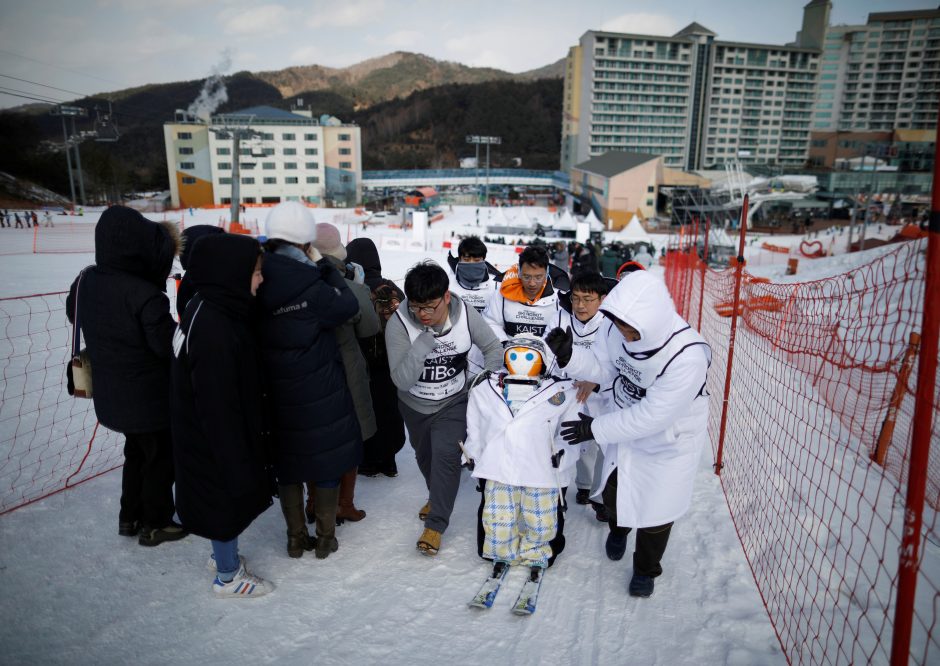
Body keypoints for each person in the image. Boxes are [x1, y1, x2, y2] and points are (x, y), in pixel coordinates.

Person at [547, 270, 711, 598]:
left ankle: (646, 569)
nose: (624, 333)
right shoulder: (613, 328)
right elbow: (605, 370)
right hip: (623, 421)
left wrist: (594, 428)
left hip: (669, 441)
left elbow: (653, 417)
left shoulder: (686, 357)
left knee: (657, 511)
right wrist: (571, 357)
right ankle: (619, 528)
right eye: (620, 325)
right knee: (612, 492)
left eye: (632, 329)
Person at [66, 205, 187, 546]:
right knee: (161, 459)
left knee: (136, 453)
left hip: (111, 393)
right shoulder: (144, 294)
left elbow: (72, 310)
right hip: (149, 399)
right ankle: (156, 522)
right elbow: (165, 346)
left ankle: (128, 516)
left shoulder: (87, 279)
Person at [256, 202, 362, 560]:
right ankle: (326, 538)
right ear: (305, 242)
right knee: (326, 460)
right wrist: (323, 265)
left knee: (288, 465)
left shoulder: (255, 277)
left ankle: (294, 537)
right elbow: (348, 306)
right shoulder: (312, 282)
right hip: (319, 389)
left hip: (274, 389)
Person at [170, 233, 274, 597]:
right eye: (257, 272)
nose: (261, 279)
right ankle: (228, 577)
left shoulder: (205, 303)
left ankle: (222, 556)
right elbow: (217, 405)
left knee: (219, 500)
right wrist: (236, 458)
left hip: (198, 431)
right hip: (213, 438)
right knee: (223, 501)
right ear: (232, 273)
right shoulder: (216, 329)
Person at [385, 261, 503, 556]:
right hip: (415, 405)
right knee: (425, 458)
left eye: (429, 307)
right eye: (416, 307)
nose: (422, 314)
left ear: (446, 297)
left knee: (446, 457)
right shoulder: (398, 324)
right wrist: (424, 344)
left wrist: (480, 386)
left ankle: (435, 525)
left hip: (453, 401)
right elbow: (401, 379)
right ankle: (437, 495)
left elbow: (493, 350)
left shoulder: (464, 313)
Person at [462, 334, 580, 601]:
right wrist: (473, 452)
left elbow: (569, 429)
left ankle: (537, 551)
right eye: (513, 356)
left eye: (529, 357)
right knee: (498, 512)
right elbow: (476, 426)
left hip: (541, 466)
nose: (521, 362)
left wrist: (564, 453)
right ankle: (501, 550)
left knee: (540, 514)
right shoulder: (484, 389)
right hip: (499, 464)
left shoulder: (561, 392)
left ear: (542, 360)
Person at [310, 222, 380, 525]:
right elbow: (370, 328)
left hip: (307, 372)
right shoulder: (348, 286)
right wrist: (361, 288)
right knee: (350, 438)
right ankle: (344, 504)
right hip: (346, 370)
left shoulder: (293, 283)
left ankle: (313, 502)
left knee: (312, 440)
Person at [549, 271, 613, 521]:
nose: (581, 305)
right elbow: (549, 355)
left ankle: (600, 496)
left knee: (605, 443)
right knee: (566, 438)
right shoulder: (559, 316)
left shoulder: (611, 323)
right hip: (567, 390)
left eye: (588, 299)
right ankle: (566, 489)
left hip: (601, 392)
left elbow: (617, 366)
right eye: (575, 298)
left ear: (602, 299)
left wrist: (595, 381)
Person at [346, 237, 407, 477]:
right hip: (392, 363)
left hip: (362, 363)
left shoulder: (353, 288)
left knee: (365, 410)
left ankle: (368, 461)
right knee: (390, 410)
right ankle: (389, 460)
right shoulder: (392, 288)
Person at [445, 236, 502, 375]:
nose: (471, 264)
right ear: (459, 259)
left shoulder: (497, 286)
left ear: (484, 260)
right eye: (466, 259)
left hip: (484, 354)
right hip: (451, 353)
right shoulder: (447, 283)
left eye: (476, 260)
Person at [483, 245, 560, 343]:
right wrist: (504, 344)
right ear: (519, 272)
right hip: (510, 355)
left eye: (538, 277)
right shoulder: (502, 294)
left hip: (545, 357)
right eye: (526, 277)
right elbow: (491, 322)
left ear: (547, 273)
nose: (532, 283)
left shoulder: (558, 298)